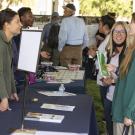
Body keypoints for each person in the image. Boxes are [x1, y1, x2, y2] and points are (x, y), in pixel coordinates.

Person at [102, 21, 128, 135]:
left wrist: (113, 78)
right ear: (111, 34)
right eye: (116, 31)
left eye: (122, 32)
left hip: (122, 102)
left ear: (127, 34)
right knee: (110, 129)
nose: (119, 35)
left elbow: (130, 81)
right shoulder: (110, 52)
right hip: (109, 98)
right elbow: (106, 76)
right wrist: (106, 81)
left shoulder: (129, 54)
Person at [112, 30, 135, 134]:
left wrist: (130, 113)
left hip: (127, 112)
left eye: (131, 26)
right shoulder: (130, 49)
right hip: (122, 108)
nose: (129, 30)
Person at [0, 8, 22, 111]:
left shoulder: (8, 41)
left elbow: (8, 69)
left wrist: (13, 91)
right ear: (6, 24)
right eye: (17, 22)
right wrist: (4, 98)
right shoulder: (1, 44)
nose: (20, 25)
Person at [12, 7, 34, 93]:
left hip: (23, 74)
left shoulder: (28, 32)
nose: (33, 18)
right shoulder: (14, 35)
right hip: (16, 75)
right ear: (22, 18)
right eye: (30, 16)